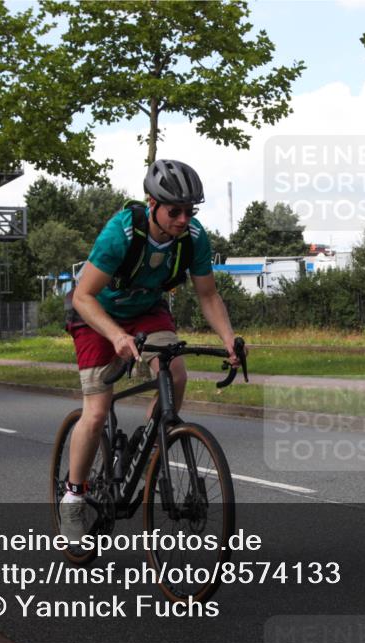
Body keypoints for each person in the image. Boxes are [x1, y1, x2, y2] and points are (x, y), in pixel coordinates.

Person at [60, 159, 240, 541]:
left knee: (176, 373)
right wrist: (115, 337)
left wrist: (228, 338)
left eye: (189, 211)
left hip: (146, 310)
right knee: (96, 411)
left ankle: (148, 449)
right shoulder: (120, 234)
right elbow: (83, 296)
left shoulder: (194, 237)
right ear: (151, 203)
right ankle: (73, 498)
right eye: (174, 211)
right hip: (97, 313)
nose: (182, 219)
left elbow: (208, 295)